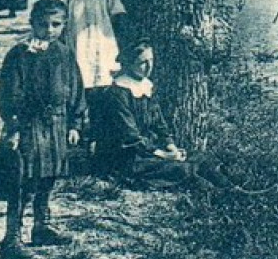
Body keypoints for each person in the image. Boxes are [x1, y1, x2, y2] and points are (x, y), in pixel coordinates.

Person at [0, 0, 86, 259]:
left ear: (64, 25)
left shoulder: (65, 53)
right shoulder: (20, 55)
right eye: (43, 24)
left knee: (49, 176)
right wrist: (13, 126)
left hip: (57, 124)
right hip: (28, 125)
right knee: (23, 180)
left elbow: (75, 89)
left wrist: (75, 123)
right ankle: (12, 238)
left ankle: (42, 227)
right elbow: (7, 94)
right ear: (32, 23)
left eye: (56, 24)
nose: (49, 30)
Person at [88, 42, 230, 191]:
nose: (149, 67)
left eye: (151, 60)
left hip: (148, 150)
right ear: (129, 64)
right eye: (143, 62)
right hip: (126, 157)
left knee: (202, 158)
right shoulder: (118, 92)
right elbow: (130, 137)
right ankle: (219, 195)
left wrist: (171, 147)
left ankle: (232, 189)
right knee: (184, 169)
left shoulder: (146, 86)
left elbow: (159, 124)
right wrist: (164, 155)